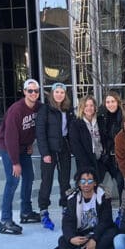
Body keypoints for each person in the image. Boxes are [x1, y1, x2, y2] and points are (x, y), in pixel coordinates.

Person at [0, 78, 41, 235]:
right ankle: (5, 221)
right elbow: (10, 138)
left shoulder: (38, 107)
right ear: (24, 92)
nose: (33, 93)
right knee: (13, 180)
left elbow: (34, 129)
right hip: (8, 147)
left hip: (22, 147)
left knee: (29, 177)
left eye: (36, 91)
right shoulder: (16, 110)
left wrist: (29, 144)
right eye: (30, 91)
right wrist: (15, 162)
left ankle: (26, 212)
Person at [57, 167, 118, 249]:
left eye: (90, 181)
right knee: (63, 241)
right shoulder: (73, 199)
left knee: (113, 233)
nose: (86, 184)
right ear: (79, 183)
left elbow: (106, 221)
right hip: (83, 233)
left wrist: (94, 239)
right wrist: (72, 238)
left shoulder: (104, 197)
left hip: (99, 231)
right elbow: (67, 221)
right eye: (83, 181)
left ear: (95, 183)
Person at [35, 82, 74, 230]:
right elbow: (40, 132)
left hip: (63, 148)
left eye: (62, 92)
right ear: (52, 94)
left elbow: (70, 130)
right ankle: (44, 210)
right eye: (57, 92)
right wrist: (45, 153)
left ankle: (65, 206)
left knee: (65, 181)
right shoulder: (45, 109)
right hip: (50, 150)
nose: (59, 95)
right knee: (47, 181)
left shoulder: (67, 109)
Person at [98, 91, 125, 201]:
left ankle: (122, 209)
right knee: (100, 182)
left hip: (121, 155)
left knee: (122, 184)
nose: (110, 104)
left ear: (118, 102)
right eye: (108, 102)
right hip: (106, 155)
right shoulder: (102, 116)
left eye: (113, 101)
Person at [69, 95, 108, 181]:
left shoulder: (100, 121)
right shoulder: (76, 124)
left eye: (91, 105)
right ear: (82, 108)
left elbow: (105, 139)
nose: (89, 108)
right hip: (85, 163)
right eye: (86, 105)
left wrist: (105, 154)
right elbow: (75, 146)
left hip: (100, 159)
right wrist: (86, 165)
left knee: (101, 186)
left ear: (95, 107)